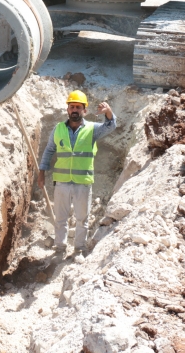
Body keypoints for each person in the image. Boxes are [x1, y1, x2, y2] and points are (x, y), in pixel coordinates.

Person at [37, 90, 116, 256]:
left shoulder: (92, 129)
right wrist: (41, 173)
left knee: (82, 218)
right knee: (60, 218)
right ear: (67, 109)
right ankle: (59, 248)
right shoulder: (58, 129)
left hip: (82, 182)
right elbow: (49, 150)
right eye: (72, 106)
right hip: (62, 182)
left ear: (84, 110)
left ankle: (79, 248)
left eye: (78, 107)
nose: (75, 110)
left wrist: (108, 111)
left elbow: (110, 126)